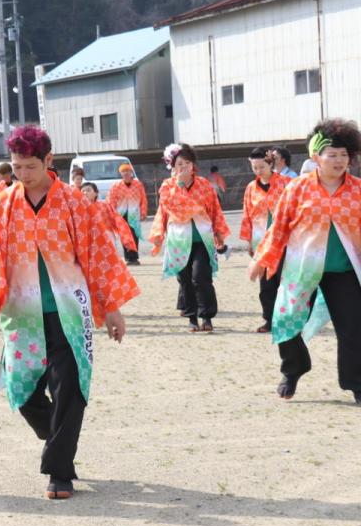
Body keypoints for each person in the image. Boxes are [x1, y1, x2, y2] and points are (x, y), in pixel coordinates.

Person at [0, 125, 138, 500]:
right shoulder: (3, 202)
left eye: (30, 166)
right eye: (16, 167)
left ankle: (59, 472)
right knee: (23, 391)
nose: (23, 174)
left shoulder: (74, 203)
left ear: (48, 161)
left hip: (68, 310)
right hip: (22, 311)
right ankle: (59, 436)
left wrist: (111, 308)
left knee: (69, 386)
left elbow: (97, 256)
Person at [249, 119, 361, 404]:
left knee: (353, 327)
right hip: (302, 267)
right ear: (316, 157)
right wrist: (262, 258)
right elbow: (279, 227)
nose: (339, 160)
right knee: (285, 319)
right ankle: (294, 368)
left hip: (344, 270)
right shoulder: (297, 188)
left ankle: (356, 383)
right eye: (332, 154)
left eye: (344, 154)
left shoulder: (358, 190)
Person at [149, 143, 230, 333]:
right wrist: (159, 234)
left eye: (187, 163)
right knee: (185, 279)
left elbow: (215, 209)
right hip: (178, 239)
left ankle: (207, 316)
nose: (184, 167)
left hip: (202, 238)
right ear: (173, 167)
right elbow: (167, 208)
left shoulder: (204, 184)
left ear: (193, 164)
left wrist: (219, 233)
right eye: (179, 164)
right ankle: (192, 317)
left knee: (201, 277)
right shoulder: (168, 186)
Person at [240, 148, 290, 333]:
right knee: (266, 284)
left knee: (285, 280)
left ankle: (288, 319)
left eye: (261, 166)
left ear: (270, 164)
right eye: (254, 167)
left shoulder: (287, 183)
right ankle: (269, 319)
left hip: (285, 240)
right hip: (261, 241)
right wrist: (248, 240)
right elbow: (247, 214)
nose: (258, 171)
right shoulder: (251, 188)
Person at [82, 182, 137, 259]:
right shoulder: (77, 209)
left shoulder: (105, 206)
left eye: (88, 190)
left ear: (96, 193)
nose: (85, 193)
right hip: (87, 239)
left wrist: (127, 240)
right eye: (83, 191)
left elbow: (119, 222)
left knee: (109, 260)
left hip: (106, 237)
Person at [106, 163, 148, 265]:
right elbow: (111, 200)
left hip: (134, 214)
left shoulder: (138, 185)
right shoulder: (116, 186)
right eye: (123, 171)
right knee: (124, 236)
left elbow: (143, 199)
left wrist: (143, 212)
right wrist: (112, 214)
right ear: (121, 173)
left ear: (131, 172)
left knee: (134, 235)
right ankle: (128, 258)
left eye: (128, 171)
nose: (126, 173)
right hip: (121, 214)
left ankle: (134, 258)